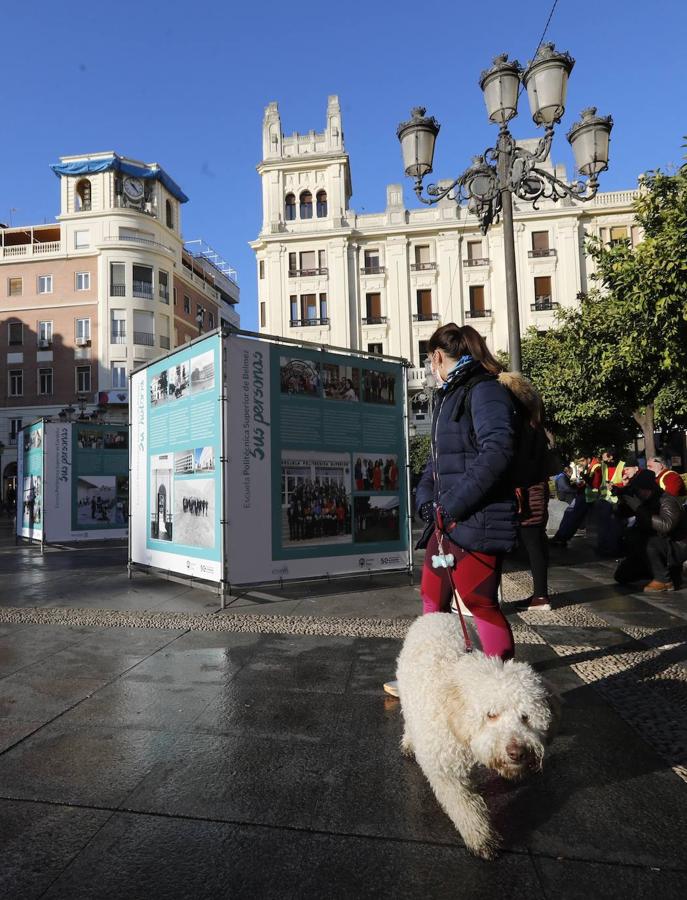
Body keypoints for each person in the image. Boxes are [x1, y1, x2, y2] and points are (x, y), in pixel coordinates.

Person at [384, 323, 518, 698]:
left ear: (438, 356)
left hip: (478, 520)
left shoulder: (484, 389)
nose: (431, 368)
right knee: (433, 596)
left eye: (430, 361)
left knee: (480, 603)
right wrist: (426, 499)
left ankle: (501, 691)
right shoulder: (450, 395)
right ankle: (429, 679)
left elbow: (498, 452)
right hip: (447, 522)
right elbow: (437, 462)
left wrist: (452, 504)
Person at [500, 372, 552, 612]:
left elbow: (523, 464)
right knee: (536, 542)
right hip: (536, 488)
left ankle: (541, 597)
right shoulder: (534, 425)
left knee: (533, 542)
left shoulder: (522, 427)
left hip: (527, 492)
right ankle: (541, 595)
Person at [614, 468, 687, 591]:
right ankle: (662, 572)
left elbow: (666, 525)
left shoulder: (667, 500)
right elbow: (620, 514)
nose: (636, 492)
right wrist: (623, 498)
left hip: (677, 546)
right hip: (657, 547)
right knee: (622, 576)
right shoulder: (645, 501)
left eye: (637, 490)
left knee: (649, 541)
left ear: (646, 489)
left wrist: (638, 508)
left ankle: (664, 580)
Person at [550, 455, 601, 546]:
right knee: (569, 515)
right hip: (583, 496)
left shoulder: (596, 467)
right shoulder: (590, 467)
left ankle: (561, 538)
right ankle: (560, 537)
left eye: (582, 460)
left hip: (586, 497)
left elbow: (594, 484)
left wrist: (582, 476)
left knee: (571, 517)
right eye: (579, 461)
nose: (580, 463)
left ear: (588, 459)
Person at [596, 449, 628, 557]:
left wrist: (615, 486)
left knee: (615, 525)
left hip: (617, 500)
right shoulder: (604, 466)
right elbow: (600, 481)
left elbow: (626, 482)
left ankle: (613, 548)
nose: (603, 461)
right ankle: (603, 547)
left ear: (611, 457)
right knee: (604, 526)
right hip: (605, 499)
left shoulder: (623, 465)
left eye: (605, 459)